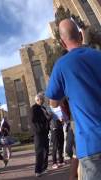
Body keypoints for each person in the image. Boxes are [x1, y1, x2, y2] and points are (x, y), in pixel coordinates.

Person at [45, 18, 101, 180]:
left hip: (91, 144)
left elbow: (53, 102)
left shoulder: (62, 65)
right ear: (81, 36)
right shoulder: (98, 55)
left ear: (62, 43)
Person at [31, 93, 50, 177]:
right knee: (39, 151)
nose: (44, 100)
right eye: (42, 99)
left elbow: (46, 119)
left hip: (45, 132)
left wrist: (49, 117)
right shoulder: (34, 108)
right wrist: (45, 118)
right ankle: (38, 170)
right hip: (38, 133)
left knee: (46, 150)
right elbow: (33, 119)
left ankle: (44, 168)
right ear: (38, 100)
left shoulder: (43, 108)